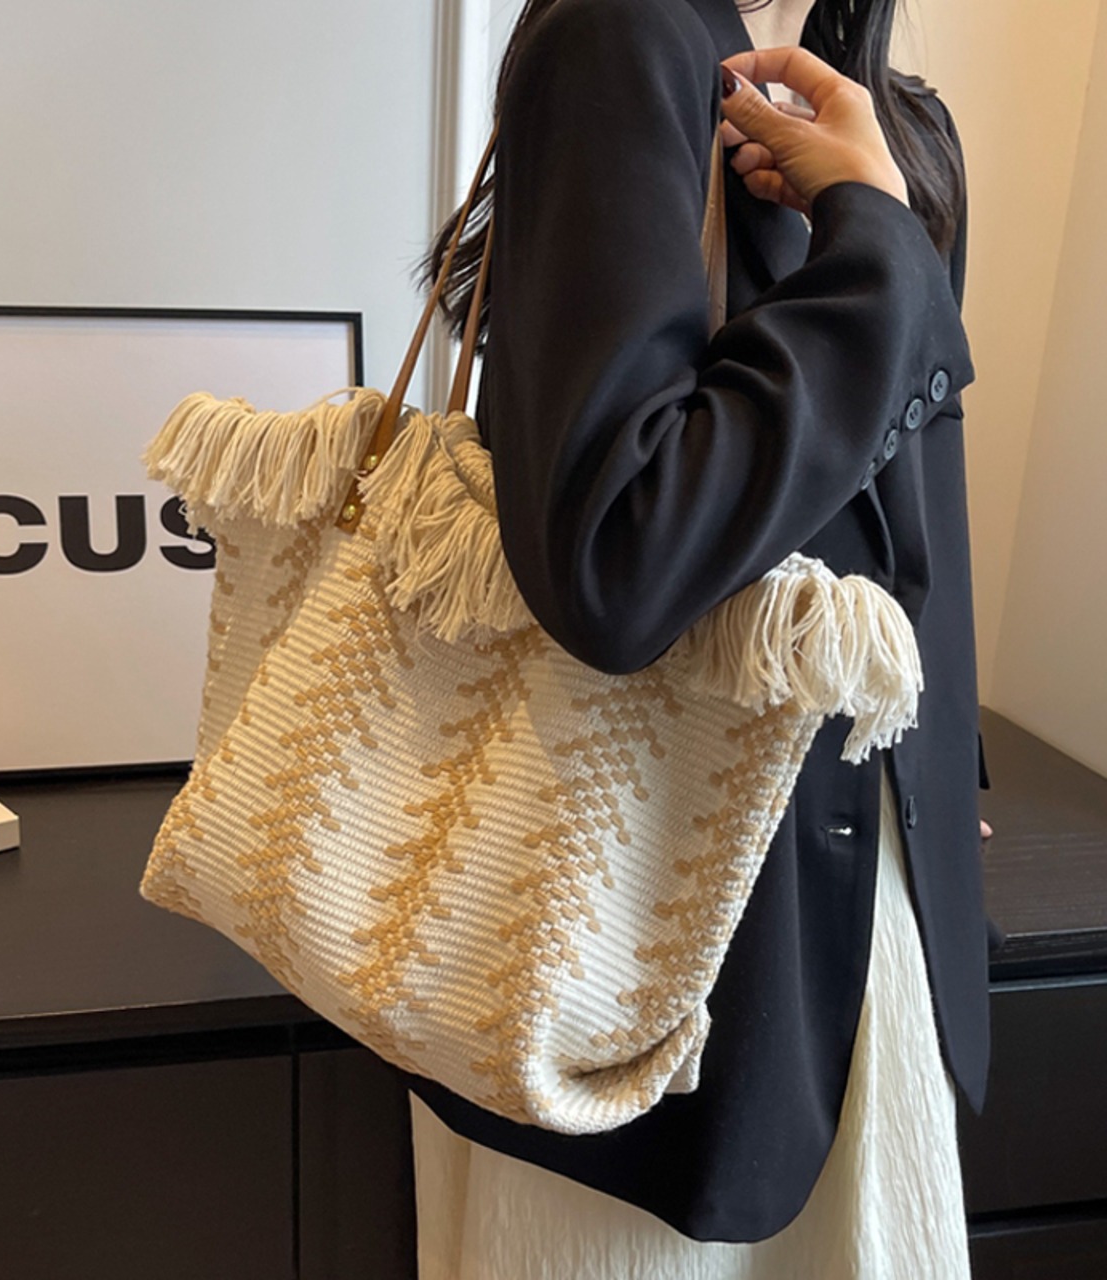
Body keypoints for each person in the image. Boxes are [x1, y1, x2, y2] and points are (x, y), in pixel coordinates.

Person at [400, 0, 997, 1275]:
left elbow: (912, 526)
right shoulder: (619, 34)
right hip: (629, 907)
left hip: (861, 875)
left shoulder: (901, 122)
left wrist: (942, 776)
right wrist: (873, 243)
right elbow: (617, 556)